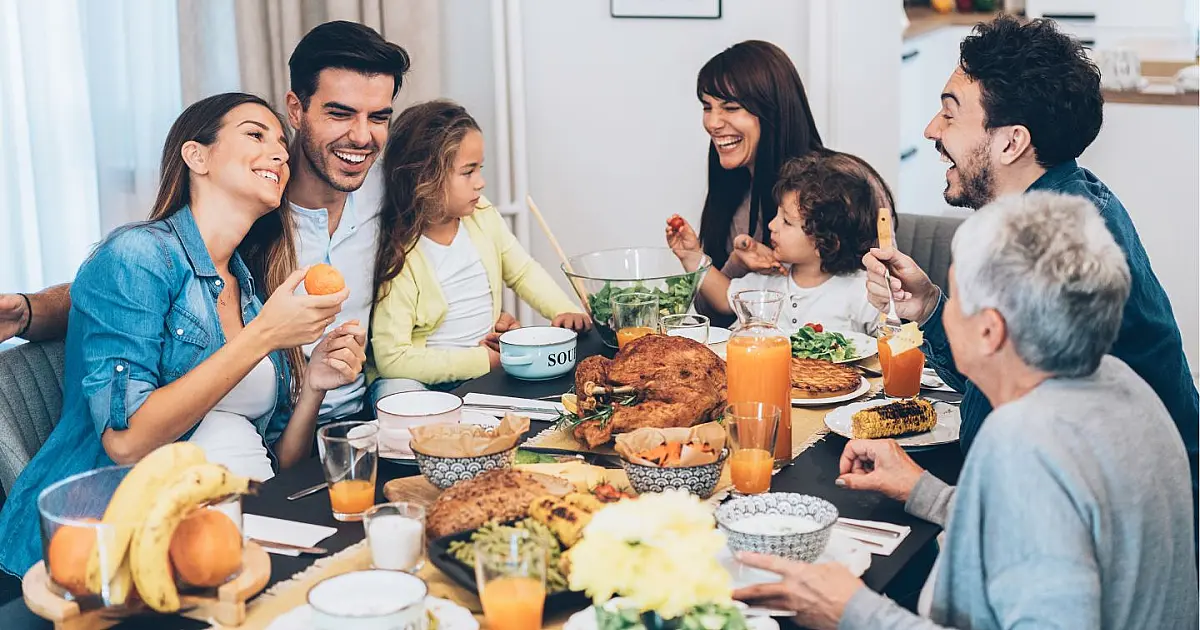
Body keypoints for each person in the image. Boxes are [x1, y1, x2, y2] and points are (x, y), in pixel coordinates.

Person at [734, 192, 1199, 630]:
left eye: (957, 300)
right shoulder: (1123, 386)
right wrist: (926, 492)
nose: (947, 316)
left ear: (990, 332)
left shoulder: (1027, 440)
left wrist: (853, 611)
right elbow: (1050, 530)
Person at [0, 93, 368, 577]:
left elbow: (280, 460)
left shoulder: (250, 289)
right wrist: (262, 336)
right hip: (121, 545)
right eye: (256, 135)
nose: (281, 153)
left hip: (254, 523)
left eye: (282, 143)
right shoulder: (137, 254)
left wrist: (314, 385)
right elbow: (126, 442)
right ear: (197, 156)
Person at [0, 20, 425, 423]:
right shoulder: (249, 204)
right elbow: (140, 288)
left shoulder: (390, 197)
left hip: (366, 417)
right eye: (340, 113)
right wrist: (30, 311)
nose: (362, 136)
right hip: (271, 431)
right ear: (295, 110)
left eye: (379, 117)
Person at [863, 16, 1199, 520]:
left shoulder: (1052, 261)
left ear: (1011, 142)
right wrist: (931, 307)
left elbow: (1040, 513)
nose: (932, 129)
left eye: (950, 115)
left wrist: (919, 489)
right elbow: (997, 377)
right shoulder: (1066, 203)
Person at [369, 100, 590, 398]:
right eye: (468, 172)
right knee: (395, 392)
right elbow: (393, 360)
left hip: (484, 367)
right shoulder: (401, 256)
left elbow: (523, 272)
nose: (481, 183)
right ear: (424, 178)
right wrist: (481, 360)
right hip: (424, 379)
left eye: (480, 169)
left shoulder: (483, 216)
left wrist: (562, 309)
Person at [666, 40, 894, 324]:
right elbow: (713, 312)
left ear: (772, 110)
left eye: (731, 107)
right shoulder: (733, 190)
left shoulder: (843, 187)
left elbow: (890, 308)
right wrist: (737, 264)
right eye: (707, 107)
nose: (713, 123)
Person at [668, 151, 881, 336]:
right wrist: (691, 255)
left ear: (826, 243)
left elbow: (892, 341)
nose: (771, 225)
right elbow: (724, 298)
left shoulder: (863, 291)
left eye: (786, 221)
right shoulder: (770, 281)